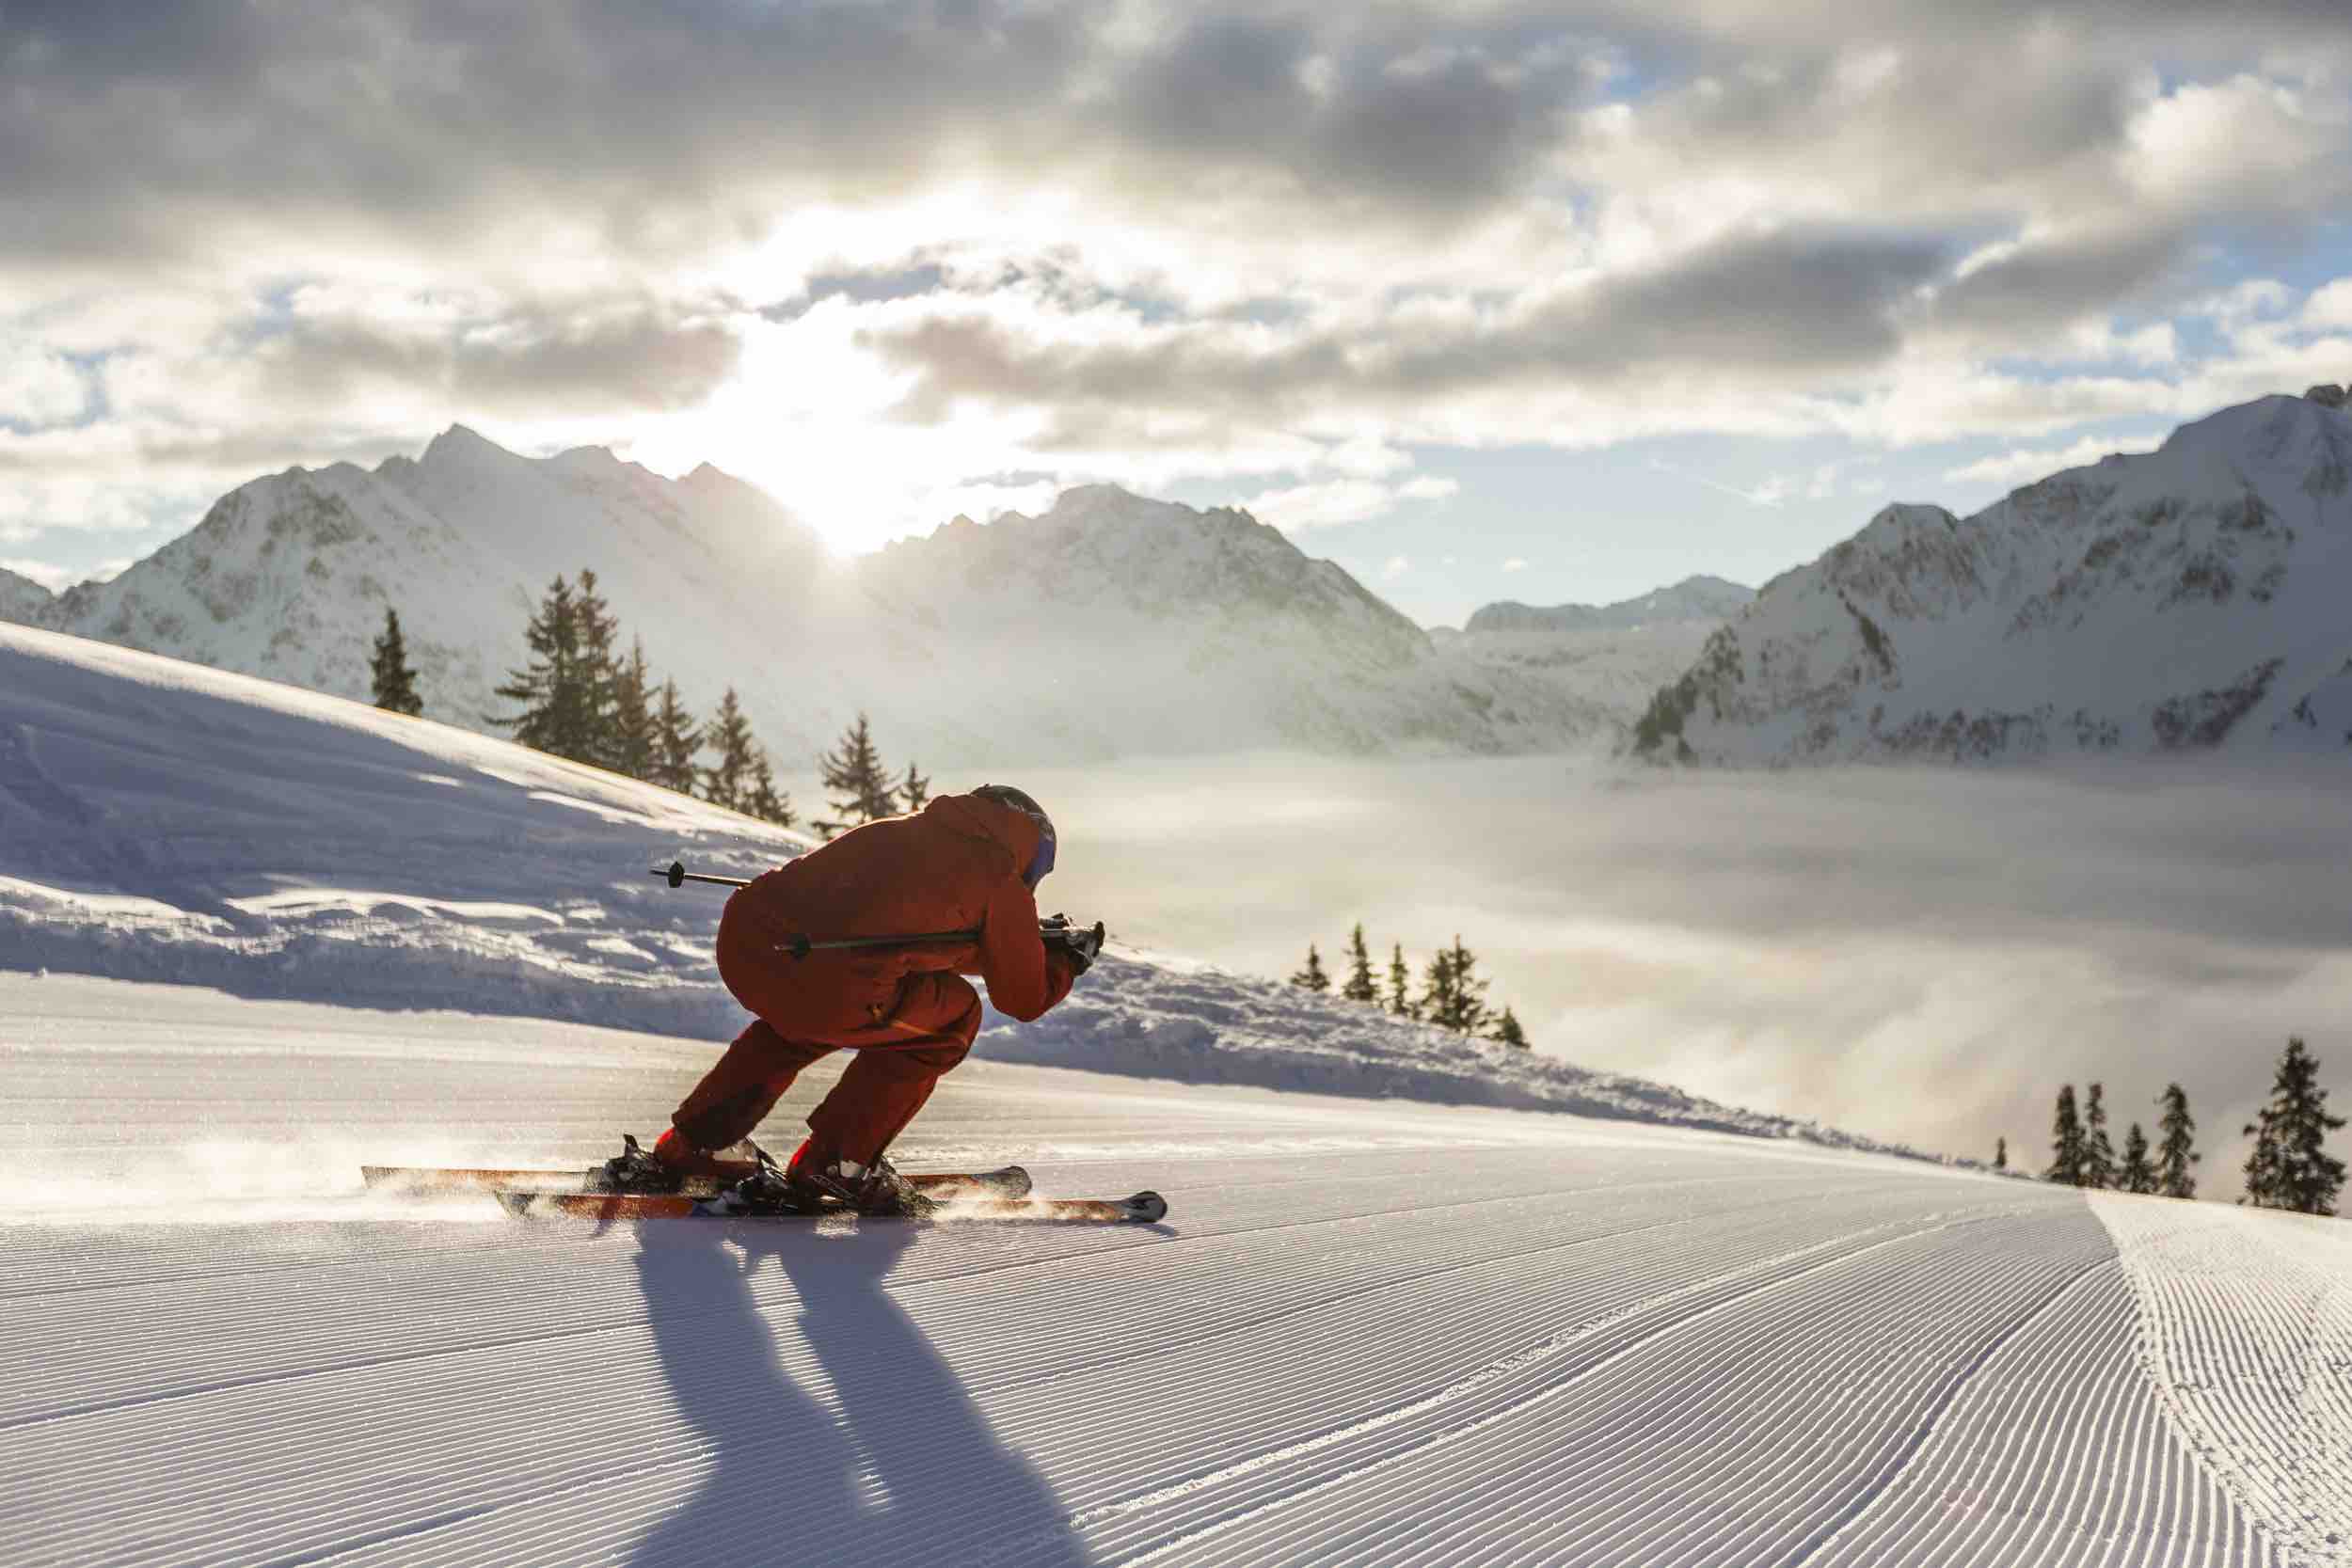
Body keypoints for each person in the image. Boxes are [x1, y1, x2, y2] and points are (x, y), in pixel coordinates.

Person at [600, 784, 1096, 1214]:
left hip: (752, 951)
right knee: (955, 1016)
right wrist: (1063, 961)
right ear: (1032, 846)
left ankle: (695, 1146)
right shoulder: (998, 876)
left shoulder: (900, 831)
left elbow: (907, 936)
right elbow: (1022, 998)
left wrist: (1023, 940)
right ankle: (841, 1161)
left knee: (798, 1020)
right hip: (834, 978)